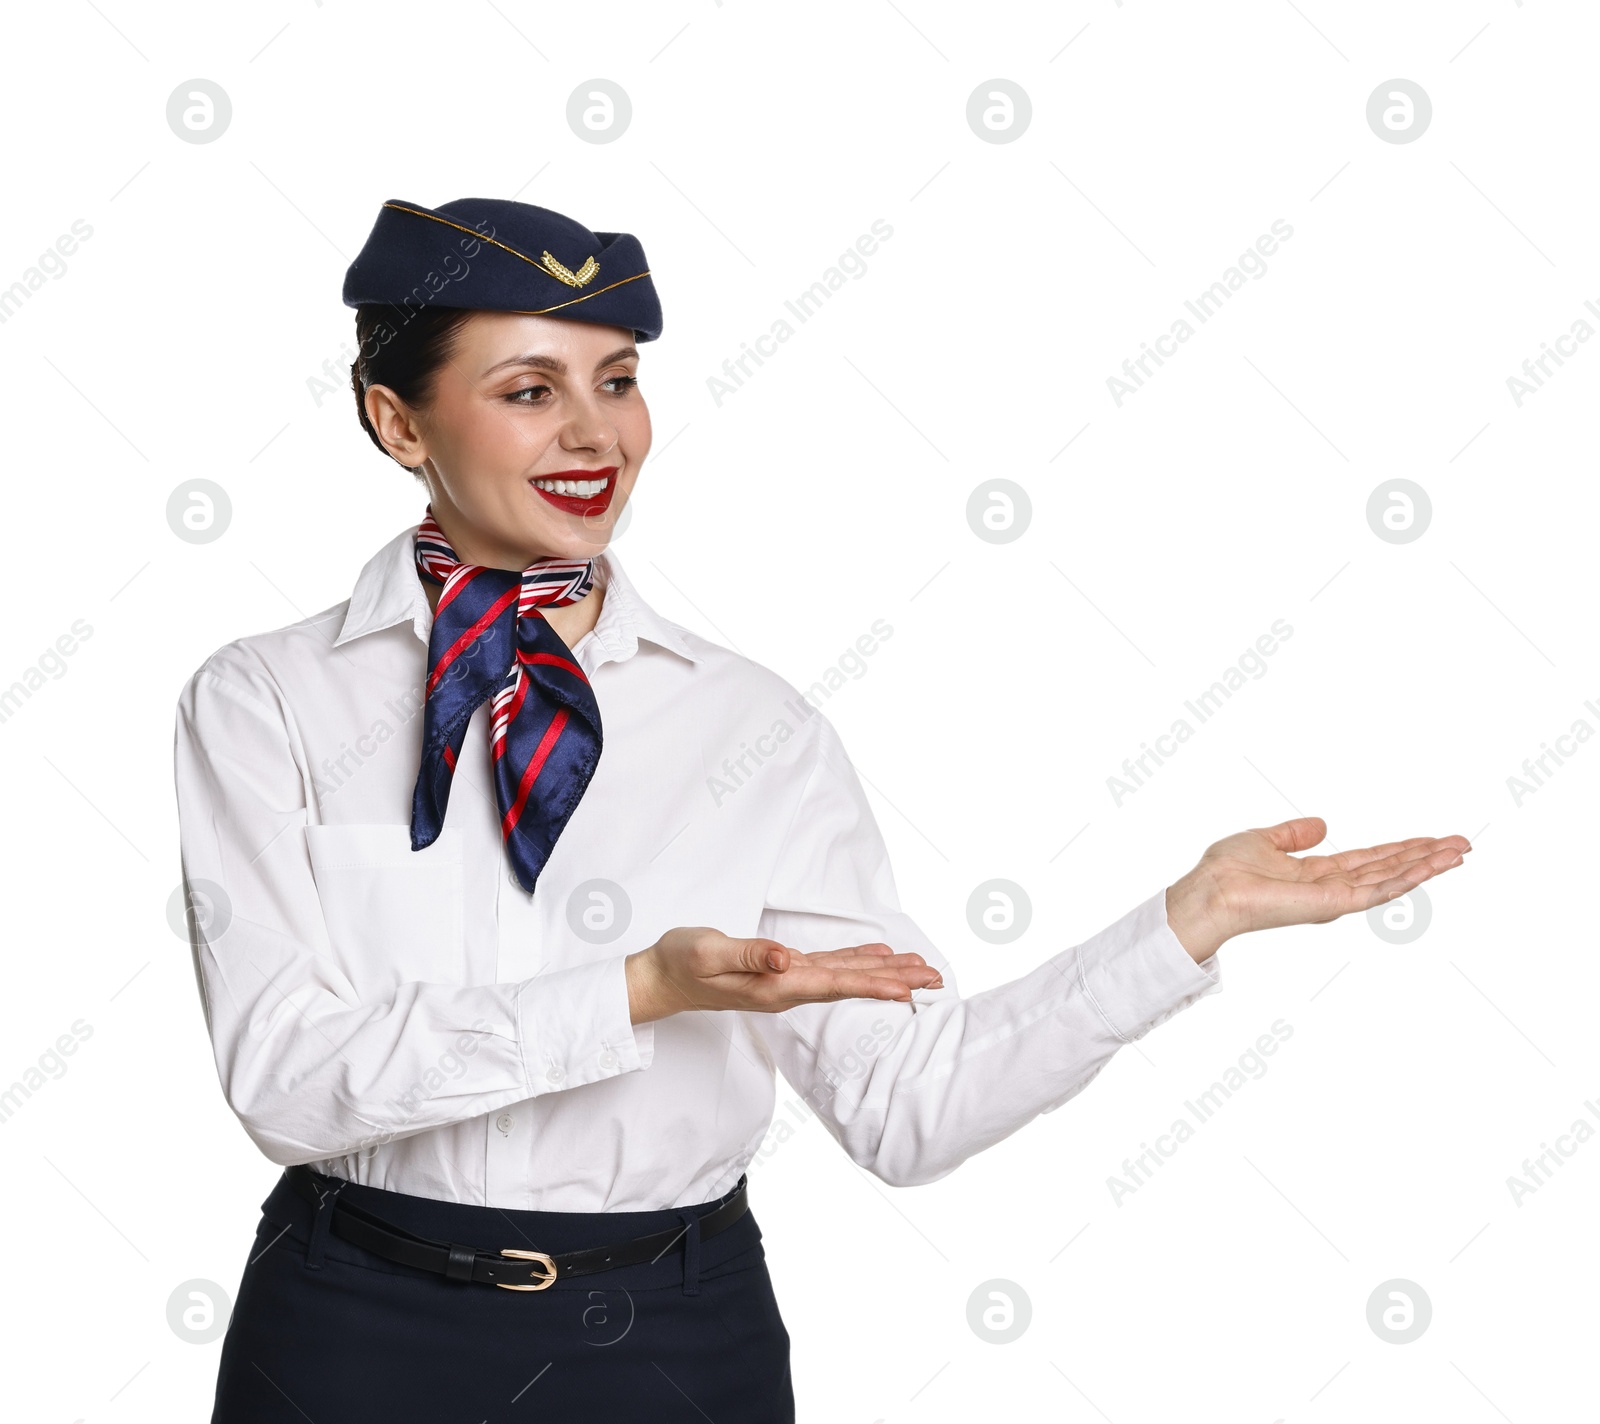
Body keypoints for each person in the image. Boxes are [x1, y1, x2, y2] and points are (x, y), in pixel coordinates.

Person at [172, 196, 1471, 1423]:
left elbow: (911, 1111)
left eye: (618, 381)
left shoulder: (754, 730)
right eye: (530, 392)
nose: (596, 434)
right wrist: (639, 990)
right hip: (356, 1332)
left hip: (673, 1338)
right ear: (399, 423)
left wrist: (1185, 926)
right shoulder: (267, 703)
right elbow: (287, 1082)